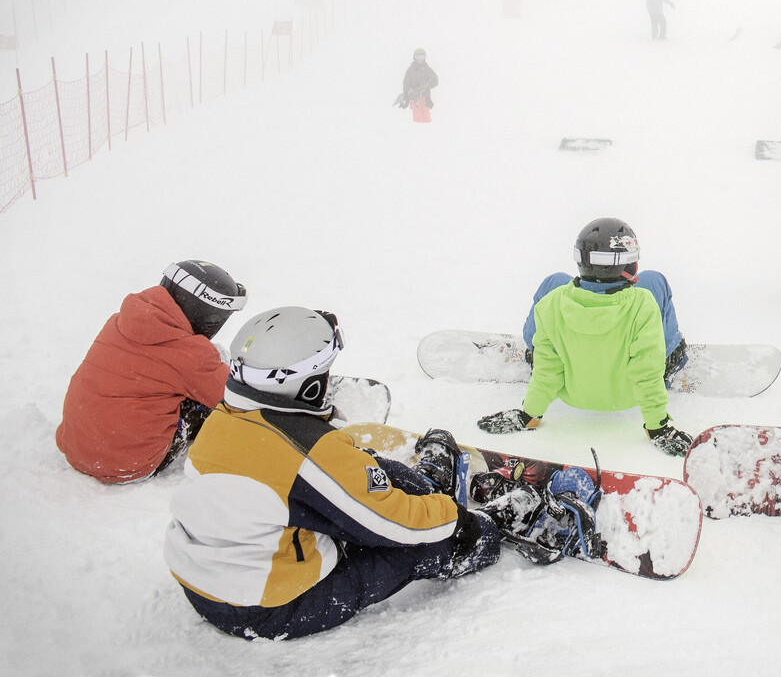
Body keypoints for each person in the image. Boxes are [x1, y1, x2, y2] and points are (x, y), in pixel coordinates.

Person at [163, 306, 500, 640]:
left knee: (358, 468)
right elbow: (391, 526)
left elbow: (314, 470)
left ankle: (425, 489)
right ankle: (489, 530)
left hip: (205, 584)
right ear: (307, 386)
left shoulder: (224, 420)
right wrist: (459, 522)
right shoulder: (309, 453)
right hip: (269, 608)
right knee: (418, 546)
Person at [478, 217, 693, 456]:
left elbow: (548, 368)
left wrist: (528, 415)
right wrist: (658, 427)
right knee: (655, 280)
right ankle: (673, 352)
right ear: (629, 265)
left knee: (555, 281)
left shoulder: (553, 303)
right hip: (628, 395)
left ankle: (534, 352)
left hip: (572, 393)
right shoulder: (643, 305)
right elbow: (647, 372)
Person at [55, 260, 247, 483]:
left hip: (75, 449)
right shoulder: (190, 355)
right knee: (211, 401)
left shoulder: (120, 322)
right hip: (129, 464)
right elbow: (236, 399)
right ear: (210, 315)